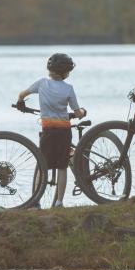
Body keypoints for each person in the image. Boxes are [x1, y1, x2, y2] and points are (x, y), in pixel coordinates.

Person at [16, 52, 85, 208]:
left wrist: (20, 102)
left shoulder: (41, 83)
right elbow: (77, 111)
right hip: (64, 131)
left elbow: (22, 93)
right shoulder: (68, 88)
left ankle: (35, 201)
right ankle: (59, 202)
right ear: (66, 72)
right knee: (62, 167)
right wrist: (82, 113)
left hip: (48, 131)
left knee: (43, 165)